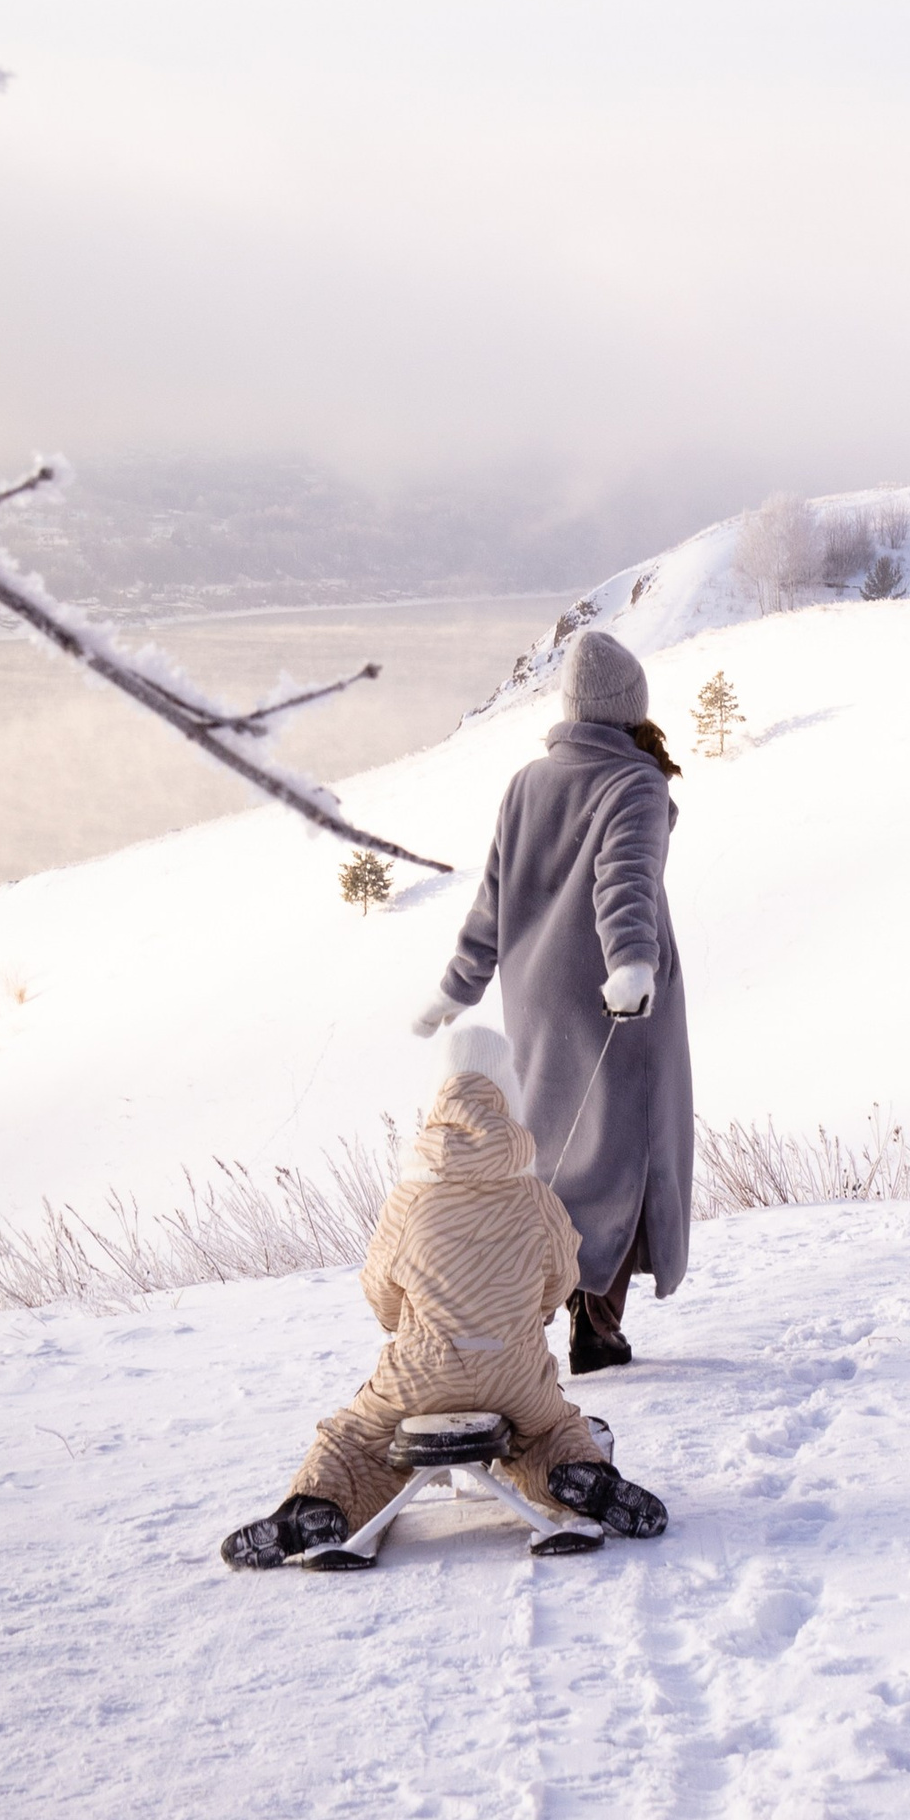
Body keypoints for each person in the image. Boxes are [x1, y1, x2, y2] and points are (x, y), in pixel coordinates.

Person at [220, 1020, 666, 1569]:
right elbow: (560, 1280)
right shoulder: (535, 1196)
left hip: (422, 1372)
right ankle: (582, 1477)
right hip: (514, 1373)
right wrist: (529, 1314)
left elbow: (381, 1294)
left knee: (356, 1439)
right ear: (510, 1094)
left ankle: (317, 1506)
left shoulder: (409, 1197)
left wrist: (406, 1319)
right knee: (550, 1428)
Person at [415, 627, 694, 1376]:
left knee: (555, 1154)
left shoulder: (527, 782)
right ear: (631, 707)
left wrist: (458, 983)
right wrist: (632, 963)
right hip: (614, 1001)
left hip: (534, 1001)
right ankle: (595, 1327)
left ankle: (529, 1305)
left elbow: (492, 899)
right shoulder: (635, 781)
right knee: (624, 1155)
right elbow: (625, 882)